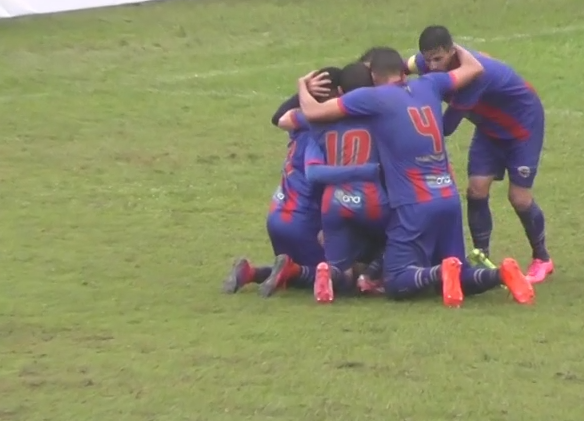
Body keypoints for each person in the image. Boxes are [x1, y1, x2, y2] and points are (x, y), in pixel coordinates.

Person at [298, 47, 534, 307]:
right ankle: (501, 273)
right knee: (461, 270)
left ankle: (440, 272)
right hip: (447, 197)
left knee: (396, 280)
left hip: (414, 203)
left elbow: (312, 113)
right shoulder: (430, 83)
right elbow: (474, 67)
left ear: (374, 77)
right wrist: (454, 48)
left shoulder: (372, 97)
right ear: (402, 71)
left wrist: (302, 85)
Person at [406, 26, 554, 284]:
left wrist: (402, 126)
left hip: (522, 128)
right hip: (489, 128)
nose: (432, 66)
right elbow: (398, 68)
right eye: (428, 60)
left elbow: (446, 127)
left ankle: (542, 258)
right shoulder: (428, 62)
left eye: (438, 59)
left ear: (451, 51)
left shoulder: (474, 76)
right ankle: (480, 256)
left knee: (519, 197)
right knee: (475, 190)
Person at [222, 68, 345, 297]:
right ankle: (289, 269)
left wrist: (302, 89)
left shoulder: (298, 120)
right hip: (303, 221)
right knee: (338, 277)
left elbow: (278, 117)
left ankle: (251, 272)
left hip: (277, 215)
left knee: (299, 268)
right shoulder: (331, 129)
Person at [303, 62, 390, 302]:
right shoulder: (381, 118)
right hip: (371, 199)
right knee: (405, 230)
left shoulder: (319, 122)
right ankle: (371, 275)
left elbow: (312, 172)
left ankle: (329, 273)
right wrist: (367, 170)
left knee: (343, 273)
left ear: (340, 92)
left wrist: (302, 87)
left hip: (334, 203)